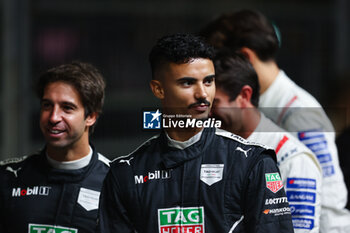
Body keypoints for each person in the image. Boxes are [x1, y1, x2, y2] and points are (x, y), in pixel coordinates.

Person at [98, 33, 294, 233]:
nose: (202, 94)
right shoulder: (125, 174)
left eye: (208, 81)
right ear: (158, 89)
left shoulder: (253, 163)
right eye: (187, 83)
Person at [200, 9, 350, 233]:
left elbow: (328, 207)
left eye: (222, 61)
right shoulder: (258, 107)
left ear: (245, 57)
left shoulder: (299, 114)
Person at [211, 52, 323, 232]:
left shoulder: (292, 159)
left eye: (214, 103)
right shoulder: (210, 148)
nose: (207, 113)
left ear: (244, 95)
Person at [0, 61, 110, 233]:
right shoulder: (7, 177)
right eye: (47, 105)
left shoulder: (117, 182)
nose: (53, 117)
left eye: (67, 108)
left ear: (91, 117)